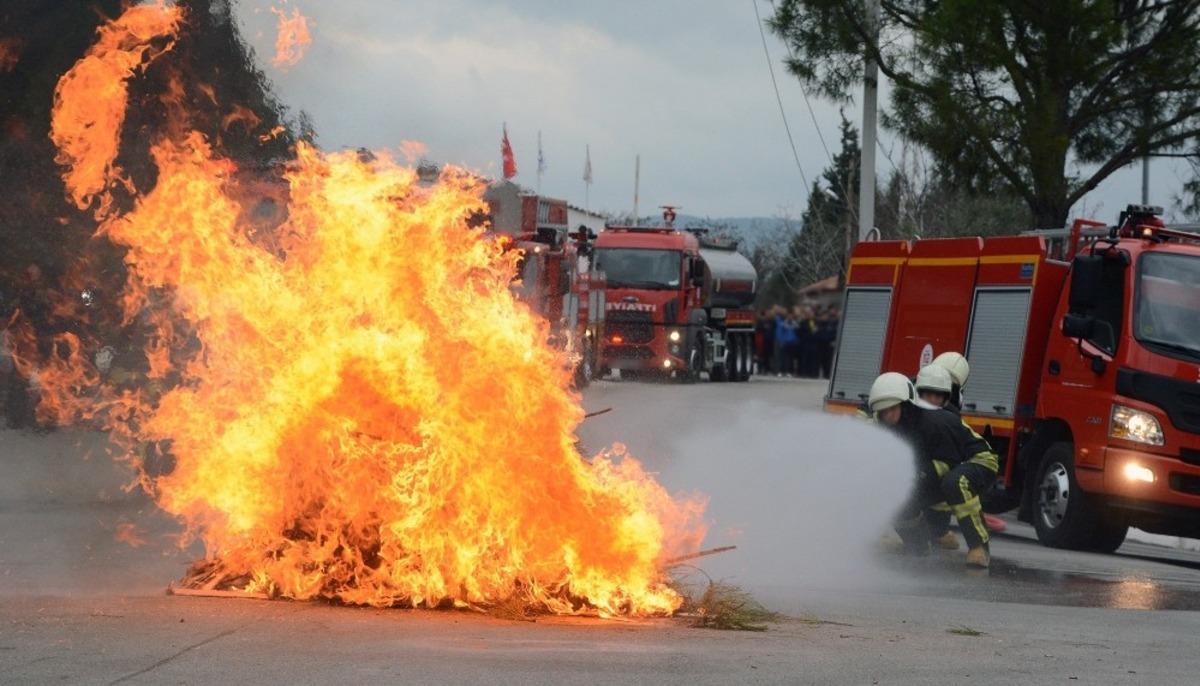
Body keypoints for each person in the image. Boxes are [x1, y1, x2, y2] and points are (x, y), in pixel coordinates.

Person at [867, 371, 999, 568]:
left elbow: (950, 463)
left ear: (904, 404)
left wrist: (914, 476)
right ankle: (918, 546)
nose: (888, 415)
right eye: (883, 411)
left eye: (892, 409)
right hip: (935, 469)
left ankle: (978, 547)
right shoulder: (888, 427)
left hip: (978, 461)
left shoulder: (933, 423)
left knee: (956, 482)